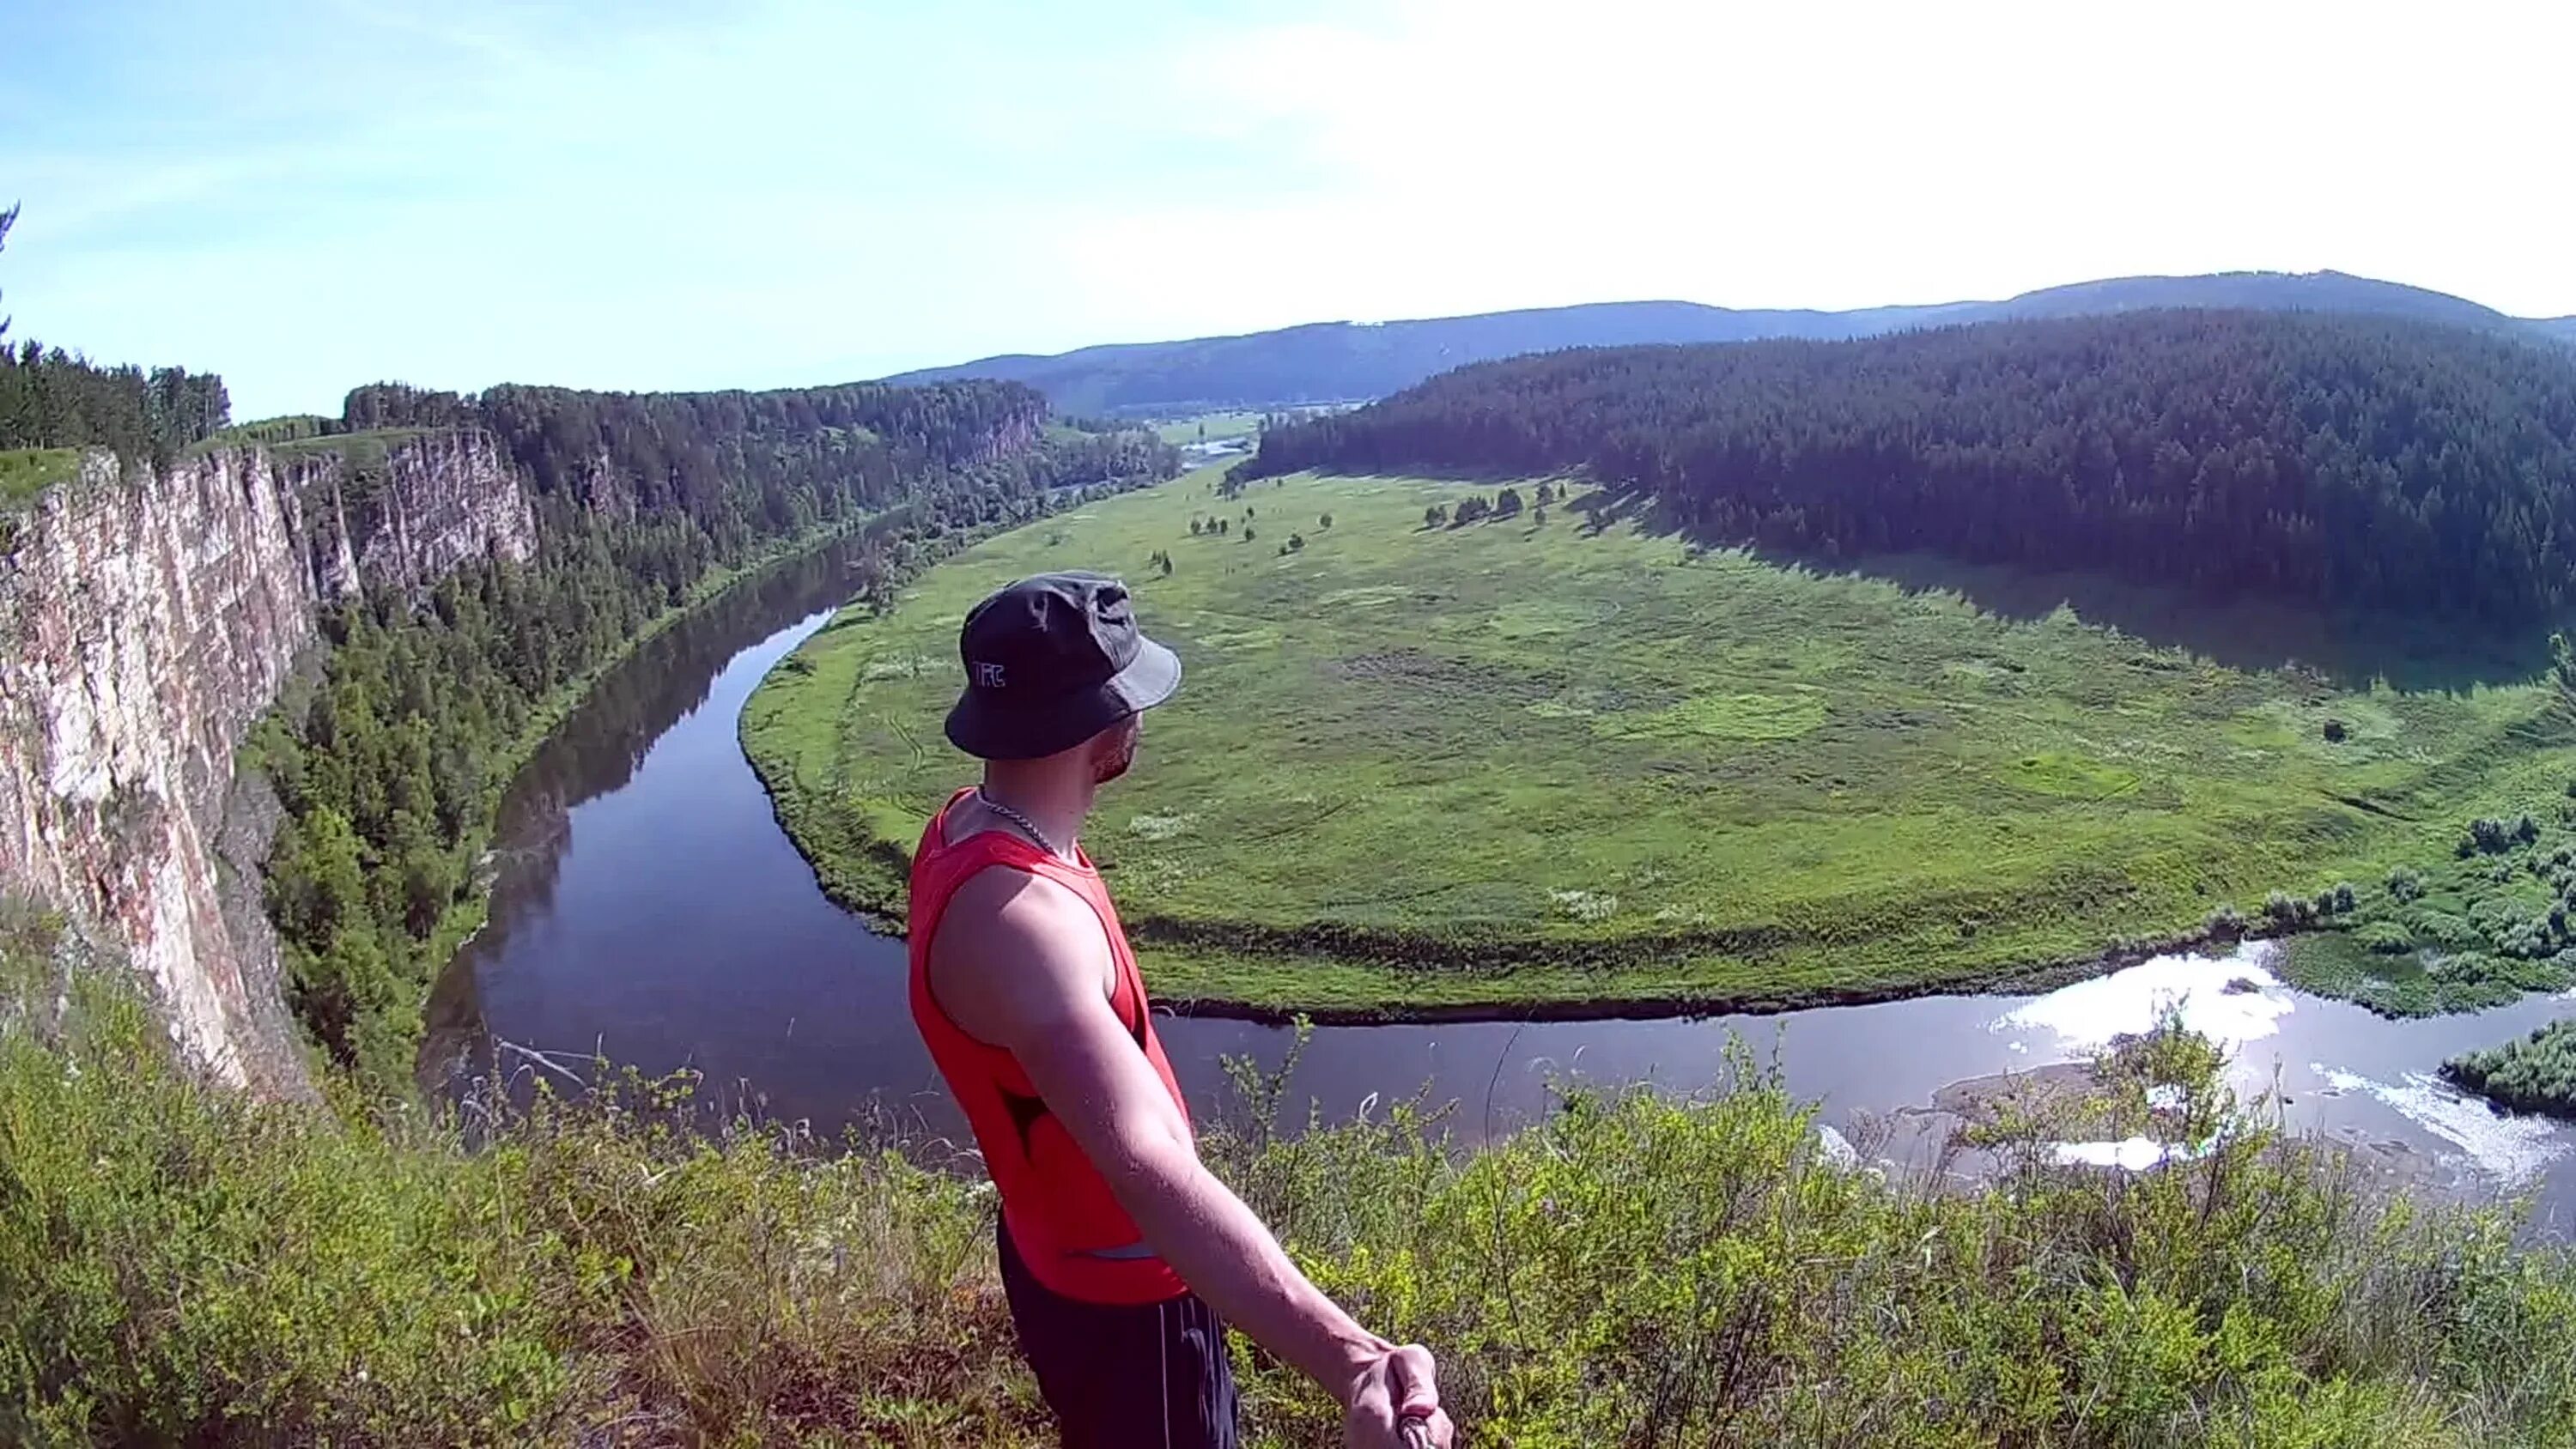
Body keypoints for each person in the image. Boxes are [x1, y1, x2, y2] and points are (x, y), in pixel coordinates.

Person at [908, 571, 1455, 1449]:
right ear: (1098, 723)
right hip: (1129, 1310)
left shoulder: (963, 826)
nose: (1142, 717)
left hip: (1054, 1254)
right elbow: (1146, 1163)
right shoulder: (1024, 926)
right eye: (1132, 698)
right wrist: (1354, 1360)